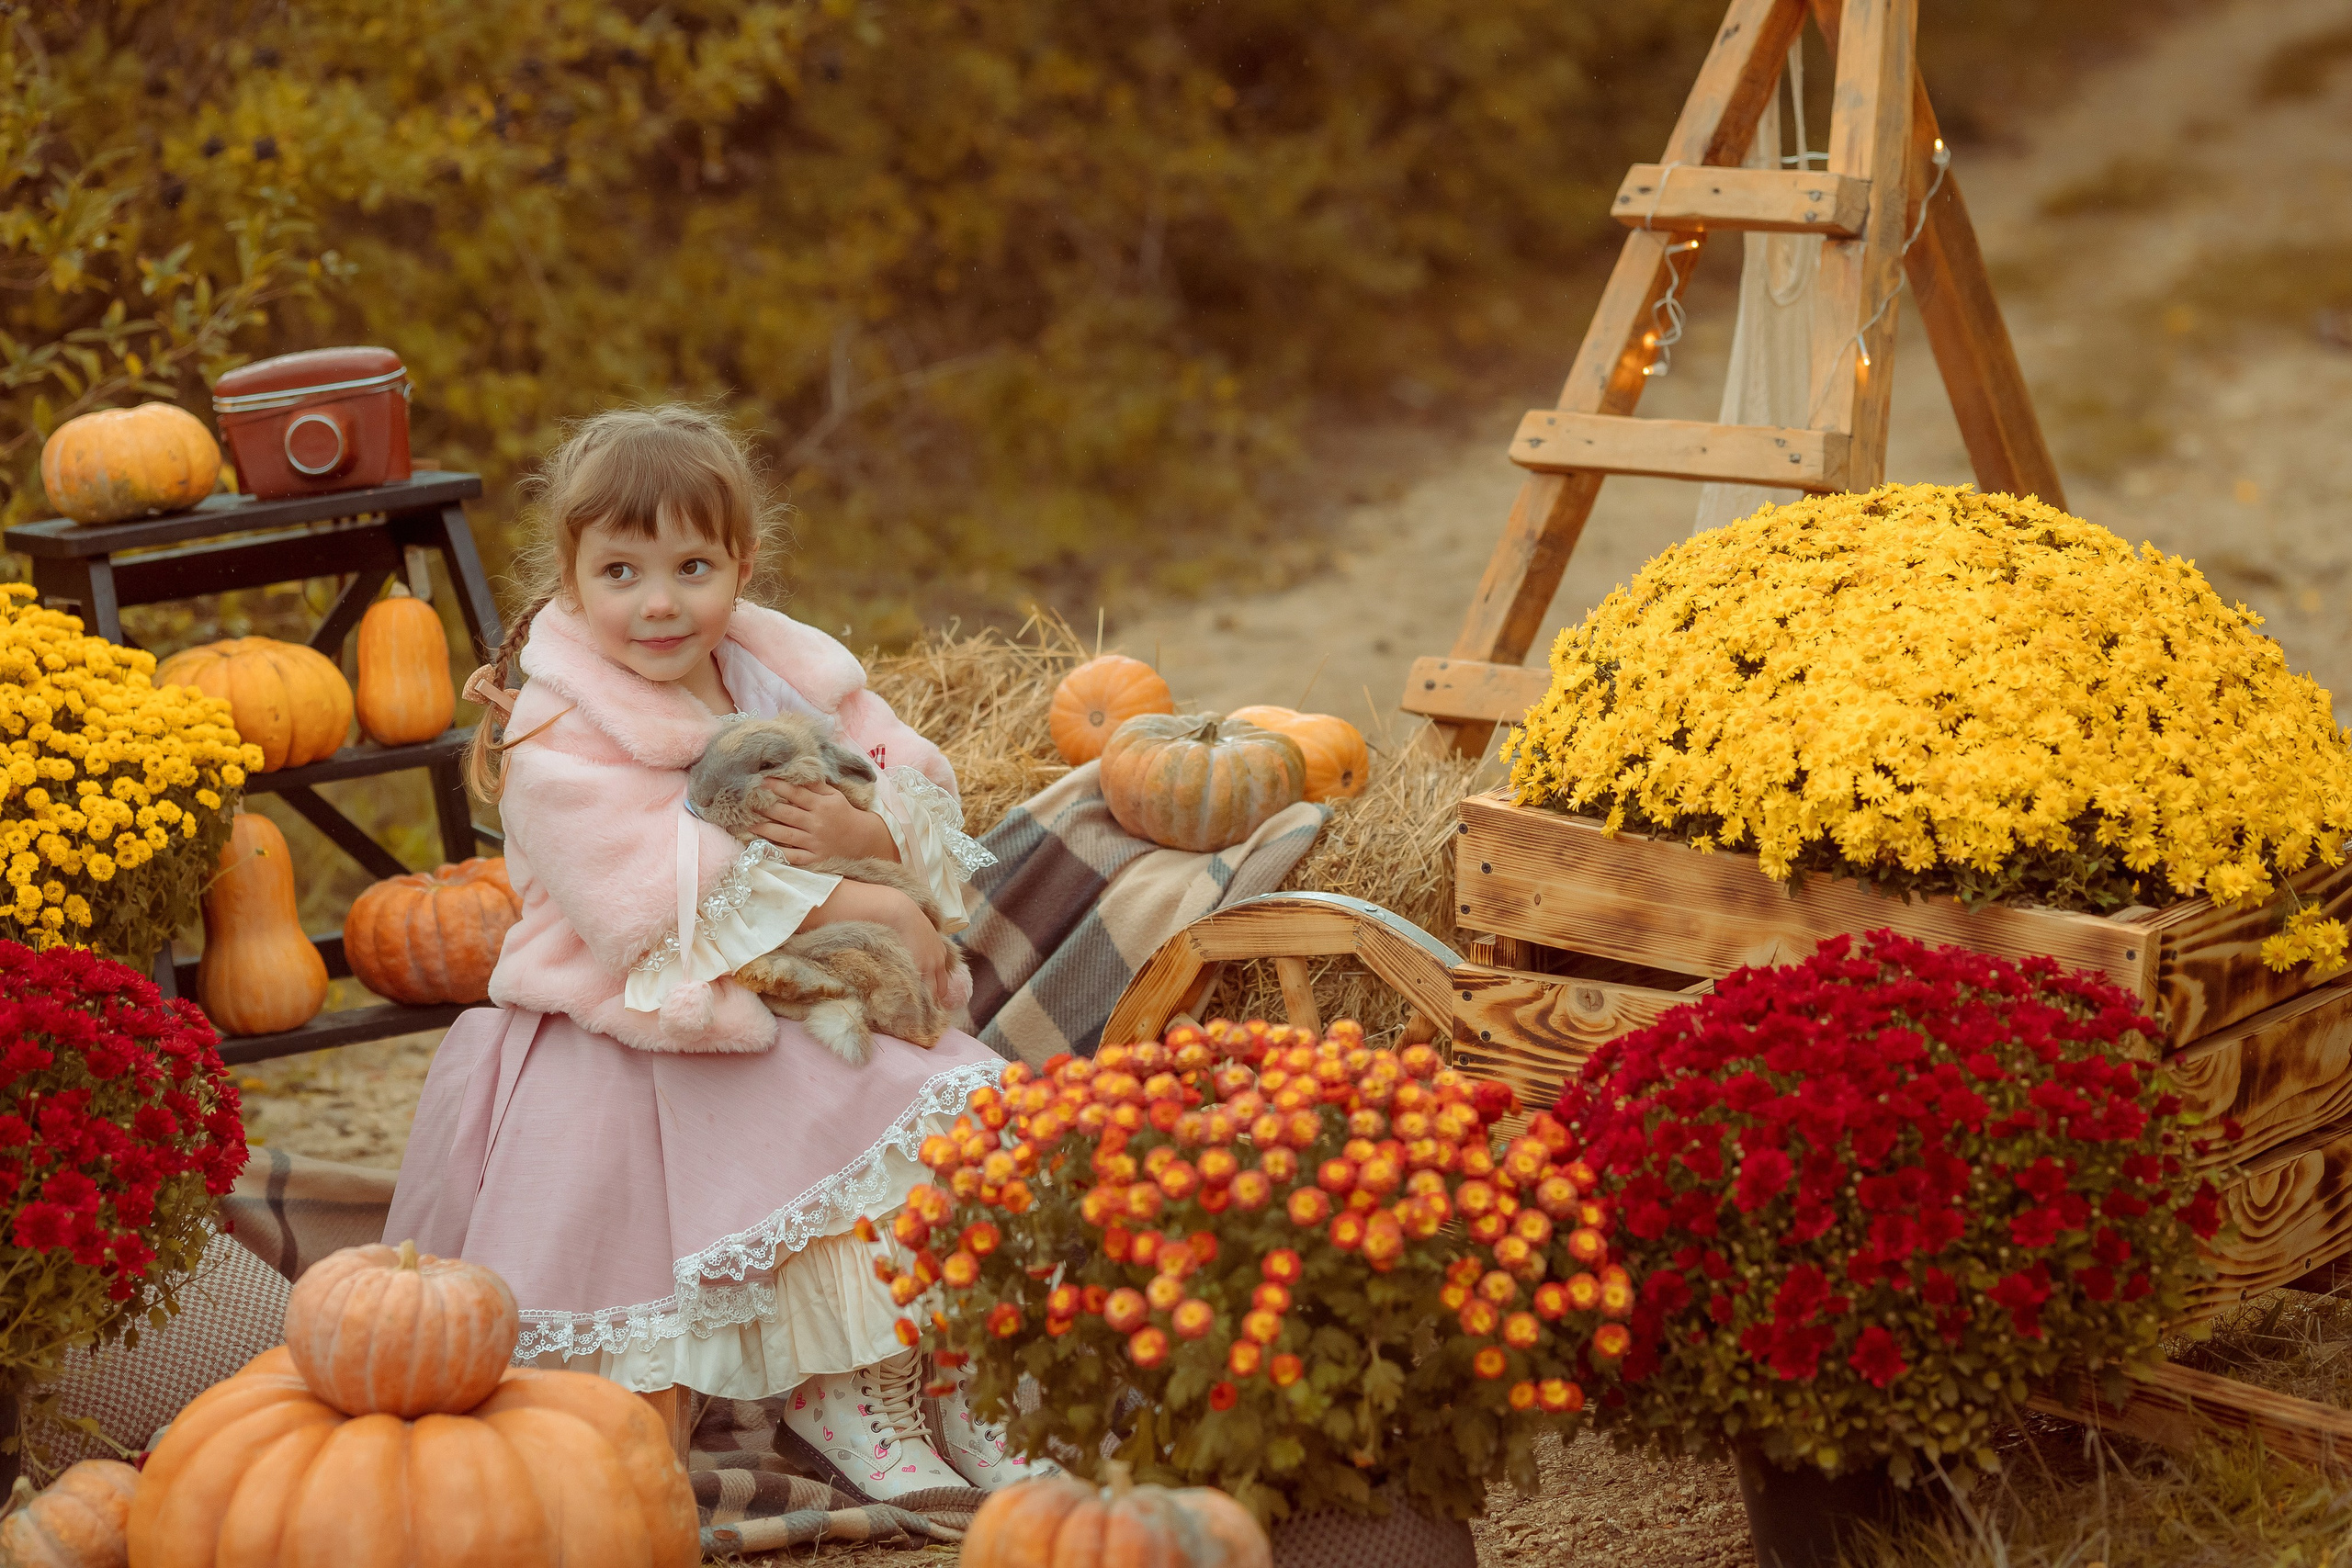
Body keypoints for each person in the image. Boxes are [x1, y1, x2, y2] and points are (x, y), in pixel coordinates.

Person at [384, 404, 1049, 1499]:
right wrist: (875, 907)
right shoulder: (557, 732)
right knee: (846, 1103)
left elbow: (902, 780)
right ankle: (844, 1388)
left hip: (803, 980)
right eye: (622, 571)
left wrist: (874, 838)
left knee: (958, 1108)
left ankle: (950, 1384)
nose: (659, 603)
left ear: (743, 563)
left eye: (692, 565)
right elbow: (645, 905)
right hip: (641, 1012)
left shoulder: (776, 674)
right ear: (572, 574)